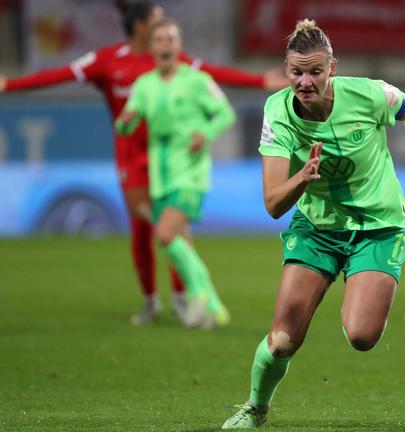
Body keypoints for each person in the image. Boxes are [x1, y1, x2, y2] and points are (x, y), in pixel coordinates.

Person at [0, 0, 288, 326]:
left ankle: (187, 299)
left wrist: (259, 82)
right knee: (144, 227)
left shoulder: (173, 63)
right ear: (141, 26)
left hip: (170, 161)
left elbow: (212, 74)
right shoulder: (110, 61)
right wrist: (10, 85)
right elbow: (60, 74)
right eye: (157, 21)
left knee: (171, 230)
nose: (163, 28)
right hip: (132, 159)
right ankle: (154, 299)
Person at [221, 19, 405, 429]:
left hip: (379, 225)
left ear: (332, 68)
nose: (305, 81)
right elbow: (271, 204)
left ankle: (362, 276)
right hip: (318, 228)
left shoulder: (370, 93)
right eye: (296, 72)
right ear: (286, 70)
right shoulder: (277, 112)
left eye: (315, 71)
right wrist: (301, 179)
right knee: (282, 340)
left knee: (361, 336)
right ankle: (256, 408)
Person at [115, 18, 234, 328]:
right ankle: (202, 306)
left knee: (165, 235)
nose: (166, 45)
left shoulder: (197, 80)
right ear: (151, 47)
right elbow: (125, 124)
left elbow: (225, 113)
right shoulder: (144, 86)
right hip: (160, 178)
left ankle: (206, 298)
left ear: (179, 46)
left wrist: (205, 132)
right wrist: (126, 120)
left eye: (171, 39)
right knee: (180, 243)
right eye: (160, 40)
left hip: (190, 175)